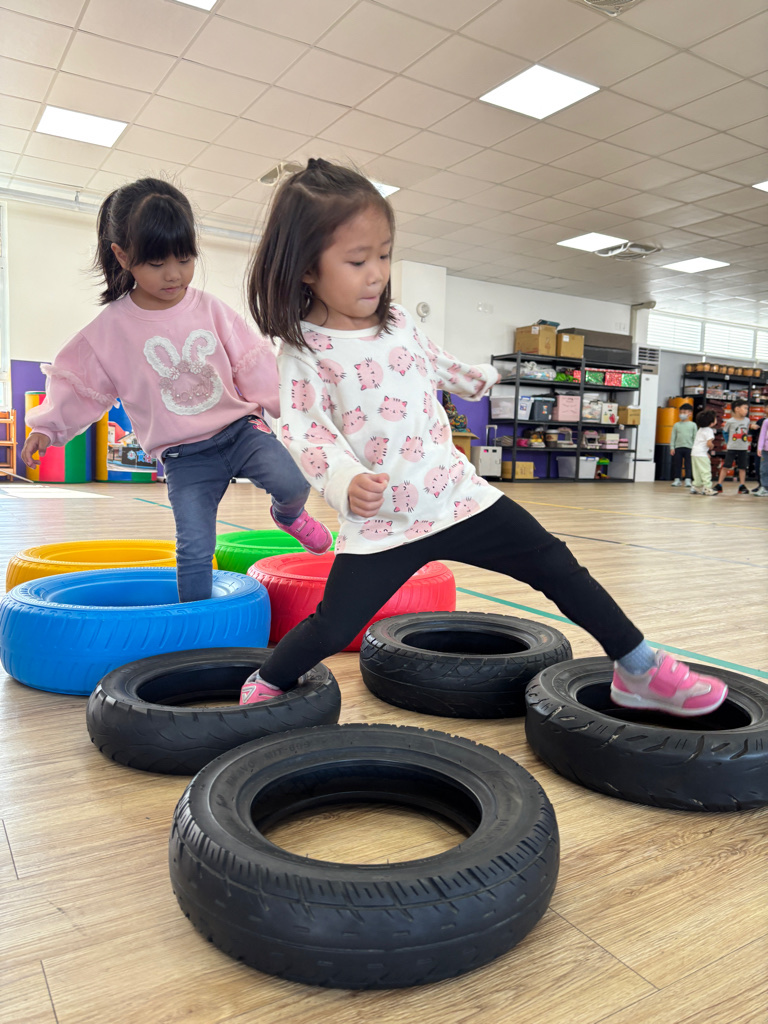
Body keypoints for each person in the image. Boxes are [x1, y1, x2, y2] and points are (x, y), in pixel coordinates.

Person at [238, 157, 728, 717]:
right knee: (334, 624)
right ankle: (270, 676)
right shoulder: (304, 350)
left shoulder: (398, 320)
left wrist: (476, 378)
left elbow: (431, 361)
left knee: (557, 565)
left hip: (457, 494)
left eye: (385, 255)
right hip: (385, 522)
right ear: (306, 268)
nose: (376, 273)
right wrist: (343, 479)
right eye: (357, 260)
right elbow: (305, 430)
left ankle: (639, 668)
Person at [21, 177, 331, 602]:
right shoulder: (109, 331)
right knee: (194, 549)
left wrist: (294, 410)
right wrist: (48, 427)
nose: (174, 274)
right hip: (185, 458)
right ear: (123, 256)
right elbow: (79, 382)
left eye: (185, 259)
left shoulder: (210, 309)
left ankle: (288, 515)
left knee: (293, 482)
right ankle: (196, 620)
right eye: (156, 263)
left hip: (240, 431)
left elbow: (252, 361)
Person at [714, 398, 751, 494]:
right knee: (726, 466)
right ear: (737, 409)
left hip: (743, 448)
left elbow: (746, 431)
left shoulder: (747, 420)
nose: (747, 410)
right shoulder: (730, 421)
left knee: (742, 467)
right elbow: (725, 432)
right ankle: (719, 484)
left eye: (747, 408)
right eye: (745, 408)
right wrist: (728, 442)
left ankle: (742, 485)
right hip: (732, 448)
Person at [689, 408, 717, 496]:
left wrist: (706, 452)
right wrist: (712, 446)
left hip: (694, 453)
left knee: (697, 471)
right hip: (701, 454)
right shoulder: (709, 430)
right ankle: (707, 488)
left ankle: (696, 487)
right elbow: (708, 443)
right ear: (711, 423)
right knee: (706, 471)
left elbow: (700, 443)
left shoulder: (700, 429)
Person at [669, 402, 695, 487]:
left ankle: (688, 479)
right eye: (681, 412)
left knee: (688, 465)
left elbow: (695, 437)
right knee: (677, 464)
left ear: (690, 413)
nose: (682, 414)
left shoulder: (693, 425)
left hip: (689, 448)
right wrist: (672, 447)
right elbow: (673, 437)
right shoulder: (676, 425)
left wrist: (694, 448)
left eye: (684, 412)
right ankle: (677, 479)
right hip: (678, 448)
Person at [754, 415, 768, 496]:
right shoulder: (766, 421)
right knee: (764, 469)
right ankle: (765, 487)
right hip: (765, 450)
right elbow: (762, 435)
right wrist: (759, 447)